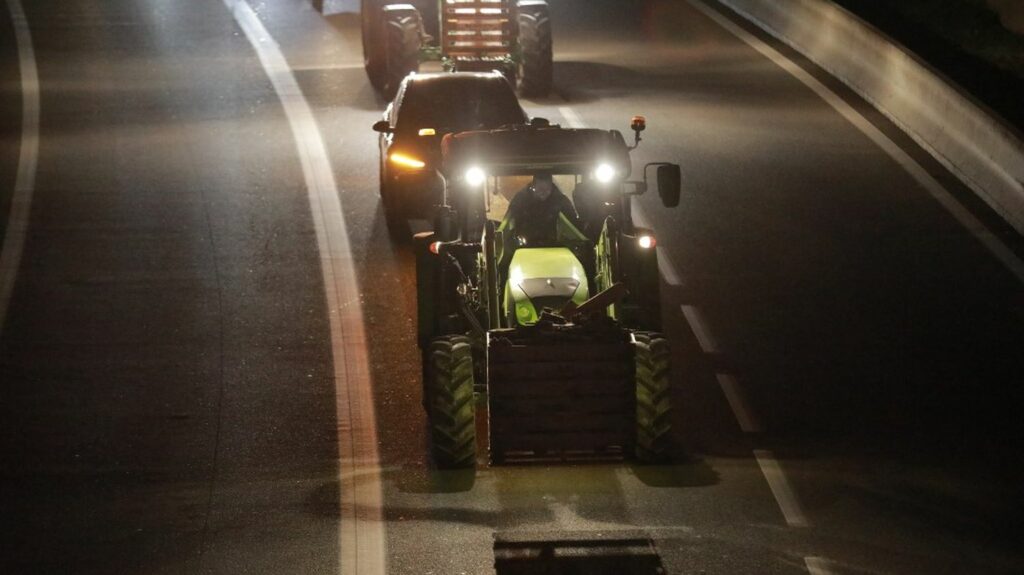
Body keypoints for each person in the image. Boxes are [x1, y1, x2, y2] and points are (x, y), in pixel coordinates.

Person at [504, 173, 581, 244]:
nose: (543, 192)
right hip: (524, 247)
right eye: (540, 189)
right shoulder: (521, 200)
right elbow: (509, 220)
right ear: (533, 187)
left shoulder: (560, 201)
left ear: (551, 187)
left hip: (555, 246)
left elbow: (573, 225)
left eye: (547, 189)